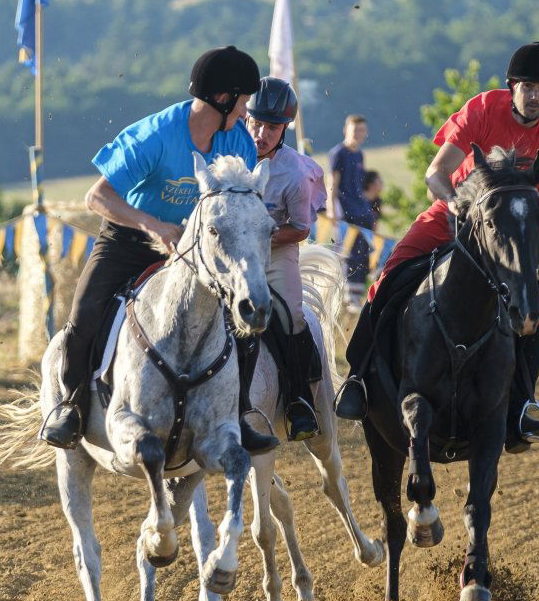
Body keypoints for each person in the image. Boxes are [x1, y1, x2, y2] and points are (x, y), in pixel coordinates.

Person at [334, 42, 539, 453]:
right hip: (454, 215)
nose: (536, 96)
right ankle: (358, 378)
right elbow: (436, 172)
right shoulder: (483, 108)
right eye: (528, 87)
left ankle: (523, 405)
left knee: (535, 310)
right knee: (388, 277)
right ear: (512, 86)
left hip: (507, 238)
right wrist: (456, 207)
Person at [38, 45, 279, 455]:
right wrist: (153, 225)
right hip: (127, 242)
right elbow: (97, 197)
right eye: (242, 104)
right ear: (222, 99)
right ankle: (71, 407)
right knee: (85, 315)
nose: (245, 114)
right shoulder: (154, 135)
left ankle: (238, 413)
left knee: (246, 321)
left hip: (197, 253)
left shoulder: (237, 140)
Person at [243, 76, 324, 442]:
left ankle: (299, 401)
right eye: (255, 123)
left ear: (285, 128)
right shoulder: (227, 154)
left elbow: (301, 228)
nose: (261, 133)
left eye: (271, 127)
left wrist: (260, 238)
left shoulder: (294, 171)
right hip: (230, 255)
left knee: (290, 314)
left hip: (277, 249)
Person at [327, 115, 372, 306]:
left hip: (362, 209)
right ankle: (347, 294)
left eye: (361, 130)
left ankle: (359, 294)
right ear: (346, 130)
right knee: (349, 253)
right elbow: (332, 183)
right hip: (346, 211)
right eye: (355, 130)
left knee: (365, 252)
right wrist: (331, 208)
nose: (358, 134)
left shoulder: (359, 154)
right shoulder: (339, 153)